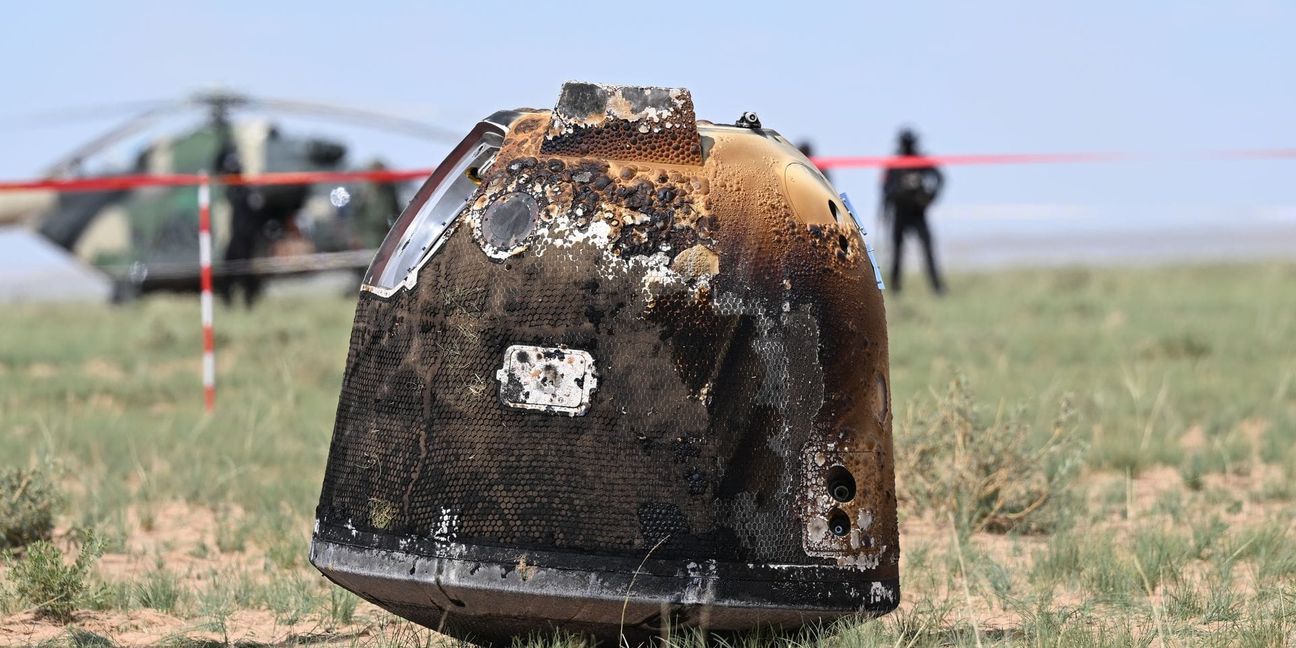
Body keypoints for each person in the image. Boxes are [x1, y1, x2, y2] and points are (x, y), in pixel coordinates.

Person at [880, 128, 945, 294]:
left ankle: (937, 287)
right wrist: (885, 210)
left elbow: (939, 179)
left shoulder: (922, 162)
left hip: (918, 212)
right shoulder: (894, 165)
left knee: (927, 249)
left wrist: (929, 197)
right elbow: (886, 190)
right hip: (900, 212)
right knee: (897, 252)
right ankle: (895, 288)